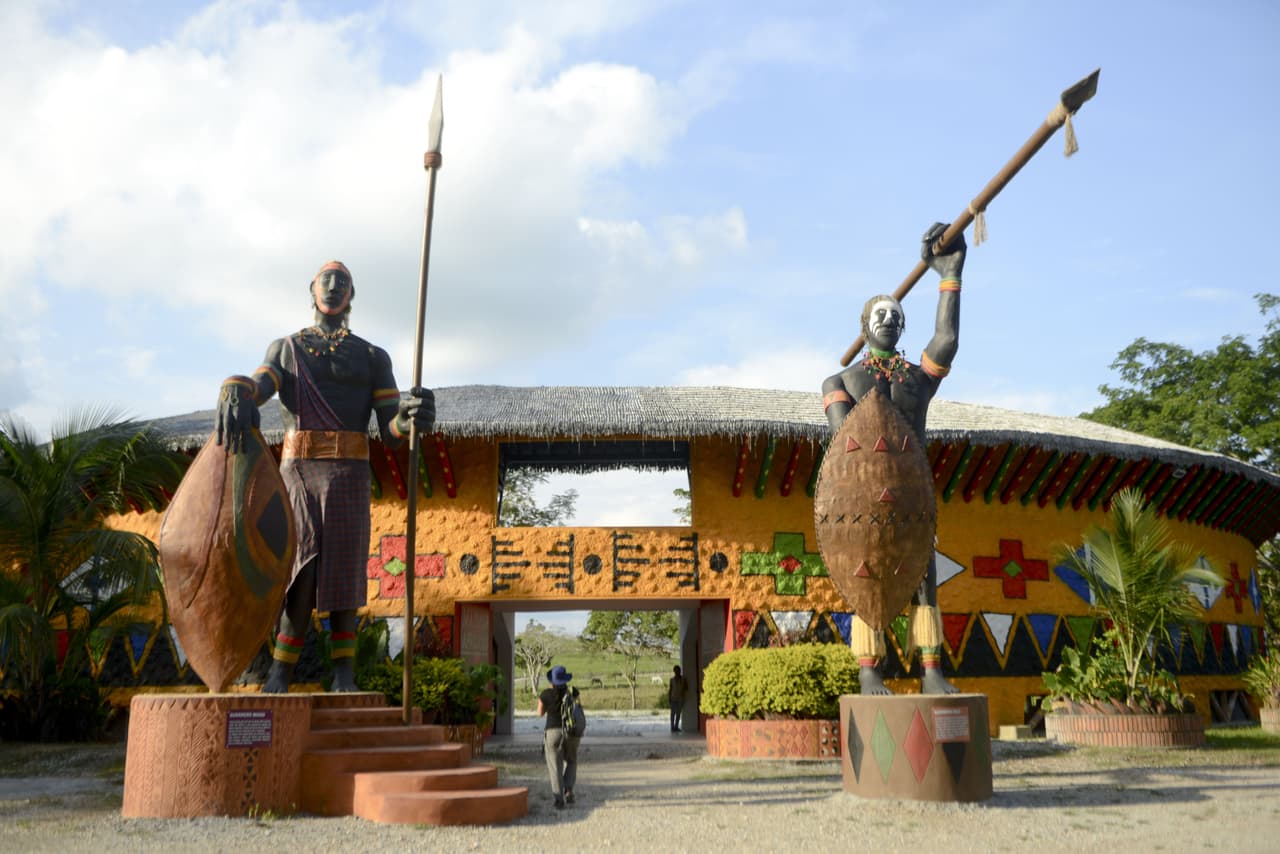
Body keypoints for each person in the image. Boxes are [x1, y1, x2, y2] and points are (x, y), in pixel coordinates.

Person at [215, 260, 435, 692]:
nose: (333, 287)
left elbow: (390, 432)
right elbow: (259, 388)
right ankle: (281, 672)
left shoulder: (372, 357)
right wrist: (234, 387)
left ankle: (343, 675)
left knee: (345, 568)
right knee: (303, 568)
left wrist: (412, 419)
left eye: (343, 282)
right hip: (297, 470)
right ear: (311, 289)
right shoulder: (286, 348)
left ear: (352, 294)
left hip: (350, 471)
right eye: (326, 280)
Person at [820, 222, 965, 696]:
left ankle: (931, 672)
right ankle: (869, 670)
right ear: (866, 328)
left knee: (925, 582)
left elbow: (945, 342)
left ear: (902, 326)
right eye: (879, 314)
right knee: (868, 578)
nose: (887, 319)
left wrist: (951, 274)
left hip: (911, 499)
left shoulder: (915, 379)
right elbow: (845, 449)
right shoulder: (840, 382)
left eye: (894, 314)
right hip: (863, 509)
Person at [537, 664, 578, 809]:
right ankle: (568, 788)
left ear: (552, 680)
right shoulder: (573, 692)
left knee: (555, 767)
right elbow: (578, 710)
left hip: (553, 732)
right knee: (572, 761)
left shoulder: (545, 694)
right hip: (571, 732)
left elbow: (539, 713)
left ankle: (559, 799)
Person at [668, 665, 687, 733]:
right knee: (673, 713)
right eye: (676, 671)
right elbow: (670, 689)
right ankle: (672, 726)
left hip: (680, 698)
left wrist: (683, 692)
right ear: (674, 671)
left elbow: (686, 688)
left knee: (678, 713)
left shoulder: (683, 679)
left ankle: (676, 726)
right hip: (673, 698)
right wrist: (669, 698)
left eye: (678, 670)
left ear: (680, 671)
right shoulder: (672, 680)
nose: (677, 672)